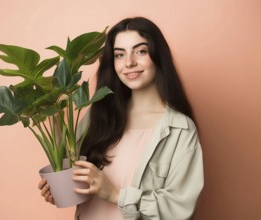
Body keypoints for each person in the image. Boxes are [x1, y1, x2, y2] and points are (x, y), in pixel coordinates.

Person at [38, 17, 204, 220]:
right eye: (119, 54)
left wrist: (116, 194)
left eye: (141, 51)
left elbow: (180, 209)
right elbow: (75, 179)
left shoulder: (180, 129)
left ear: (158, 56)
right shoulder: (96, 115)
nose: (129, 63)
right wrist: (59, 190)